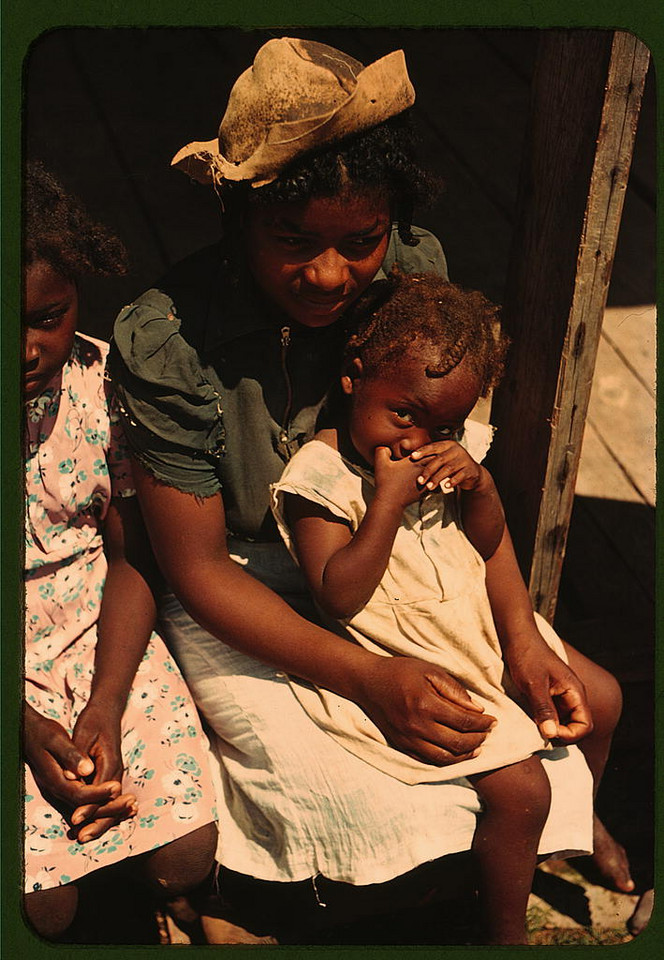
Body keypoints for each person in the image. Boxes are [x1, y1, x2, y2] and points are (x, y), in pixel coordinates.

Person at [109, 37, 631, 942]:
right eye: (291, 242)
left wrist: (517, 637)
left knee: (582, 697)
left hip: (406, 564)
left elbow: (460, 498)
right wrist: (367, 679)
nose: (327, 275)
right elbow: (196, 571)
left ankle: (563, 827)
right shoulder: (173, 338)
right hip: (249, 590)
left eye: (360, 242)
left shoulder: (409, 289)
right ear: (238, 217)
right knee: (371, 810)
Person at [271, 272, 626, 943]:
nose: (417, 441)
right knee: (521, 790)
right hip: (402, 652)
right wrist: (384, 506)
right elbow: (338, 593)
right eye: (404, 414)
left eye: (444, 424)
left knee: (603, 698)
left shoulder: (447, 452)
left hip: (471, 622)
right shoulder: (320, 480)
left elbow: (488, 545)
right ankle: (502, 930)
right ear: (353, 376)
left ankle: (579, 824)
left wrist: (482, 487)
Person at [23, 162, 218, 941]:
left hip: (99, 631)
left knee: (184, 855)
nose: (26, 347)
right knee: (43, 907)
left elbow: (133, 559)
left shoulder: (101, 386)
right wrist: (27, 727)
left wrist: (104, 703)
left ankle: (162, 899)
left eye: (47, 316)